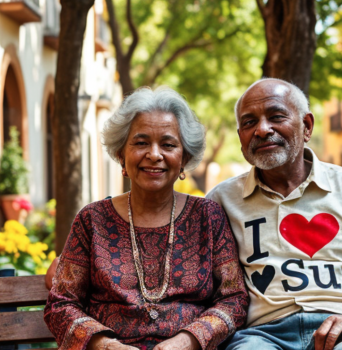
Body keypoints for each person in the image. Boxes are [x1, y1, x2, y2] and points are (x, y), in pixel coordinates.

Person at [207, 78, 342, 350]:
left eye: (276, 116)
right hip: (263, 335)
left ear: (306, 126)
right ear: (241, 138)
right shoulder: (221, 201)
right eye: (249, 123)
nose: (262, 130)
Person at [44, 87, 249, 350]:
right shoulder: (92, 220)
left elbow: (234, 299)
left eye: (168, 144)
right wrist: (105, 346)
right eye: (141, 143)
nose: (154, 154)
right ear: (121, 154)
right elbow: (61, 304)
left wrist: (188, 341)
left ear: (184, 157)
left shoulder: (208, 216)